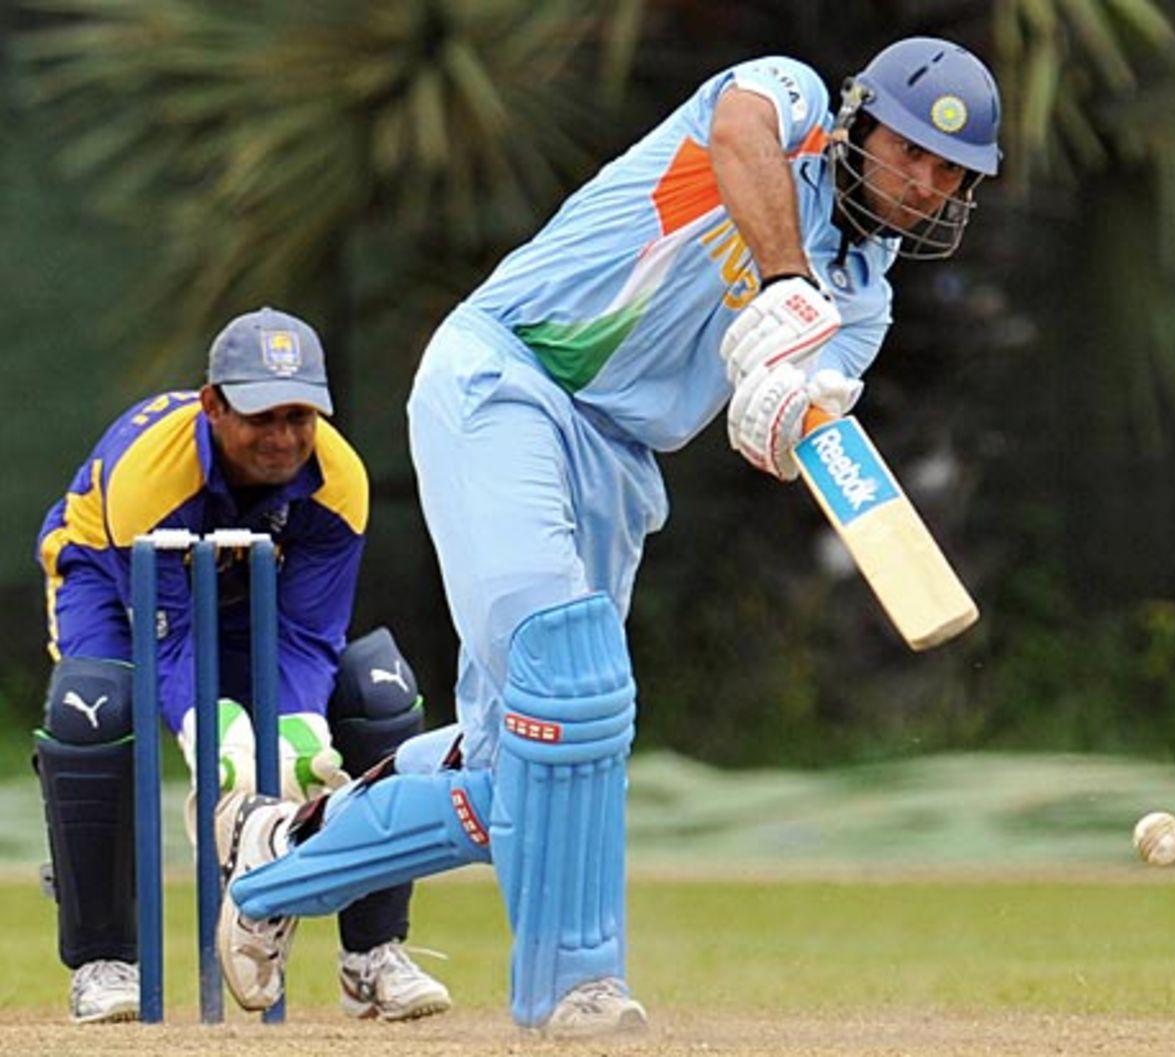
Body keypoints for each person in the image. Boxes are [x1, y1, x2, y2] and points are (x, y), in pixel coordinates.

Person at [214, 38, 1002, 1038]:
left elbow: (781, 415)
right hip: (508, 379)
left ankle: (278, 860)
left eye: (949, 176)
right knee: (571, 674)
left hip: (618, 461)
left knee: (525, 772)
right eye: (910, 152)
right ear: (860, 122)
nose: (923, 186)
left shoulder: (863, 301)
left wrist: (783, 406)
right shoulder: (786, 104)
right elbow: (737, 129)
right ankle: (575, 991)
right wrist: (778, 282)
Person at [33, 306, 450, 1023]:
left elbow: (306, 633)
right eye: (261, 416)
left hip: (241, 596)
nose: (283, 438)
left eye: (300, 416)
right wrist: (218, 739)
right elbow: (167, 642)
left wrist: (298, 736)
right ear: (213, 405)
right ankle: (106, 959)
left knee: (379, 689)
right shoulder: (152, 476)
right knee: (93, 705)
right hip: (108, 581)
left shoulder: (337, 479)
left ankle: (371, 955)